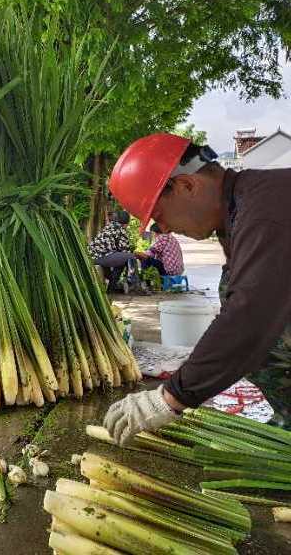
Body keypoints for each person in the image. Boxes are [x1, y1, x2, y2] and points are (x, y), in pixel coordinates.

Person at [103, 132, 291, 445]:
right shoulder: (239, 209)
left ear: (187, 185)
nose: (161, 230)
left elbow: (249, 318)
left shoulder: (266, 211)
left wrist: (171, 397)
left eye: (158, 217)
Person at [88, 210, 135, 291]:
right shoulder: (121, 229)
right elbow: (125, 250)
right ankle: (134, 284)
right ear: (126, 222)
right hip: (102, 257)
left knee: (121, 259)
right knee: (131, 257)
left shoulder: (109, 226)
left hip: (93, 256)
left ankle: (113, 285)